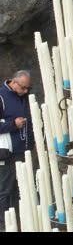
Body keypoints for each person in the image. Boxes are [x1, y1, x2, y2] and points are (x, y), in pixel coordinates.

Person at [0, 70, 35, 231]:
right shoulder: (1, 97)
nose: (26, 91)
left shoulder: (25, 96)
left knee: (19, 190)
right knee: (5, 190)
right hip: (7, 153)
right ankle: (3, 225)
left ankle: (17, 224)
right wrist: (13, 124)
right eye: (23, 88)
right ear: (14, 82)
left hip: (23, 151)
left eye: (28, 88)